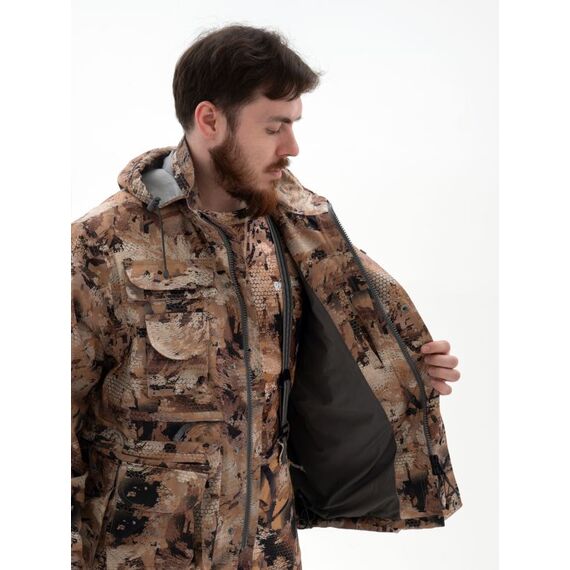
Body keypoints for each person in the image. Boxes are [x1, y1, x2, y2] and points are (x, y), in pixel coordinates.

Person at [71, 24, 463, 570]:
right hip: (139, 555)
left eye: (294, 125)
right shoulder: (103, 244)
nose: (292, 147)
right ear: (210, 120)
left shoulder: (297, 231)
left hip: (267, 550)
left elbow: (341, 348)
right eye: (274, 127)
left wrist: (407, 366)